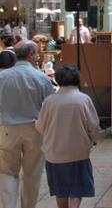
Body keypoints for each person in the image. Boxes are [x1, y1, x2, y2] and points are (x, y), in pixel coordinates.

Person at [35, 64, 100, 208]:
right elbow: (94, 126)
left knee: (60, 189)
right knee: (77, 188)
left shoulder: (49, 101)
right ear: (77, 79)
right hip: (78, 153)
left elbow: (40, 127)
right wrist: (90, 140)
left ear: (57, 79)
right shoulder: (83, 99)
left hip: (54, 154)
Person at [0, 40, 55, 208]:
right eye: (37, 54)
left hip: (7, 129)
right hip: (34, 129)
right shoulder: (41, 78)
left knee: (7, 172)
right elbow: (48, 107)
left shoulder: (2, 77)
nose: (38, 57)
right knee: (32, 173)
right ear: (31, 54)